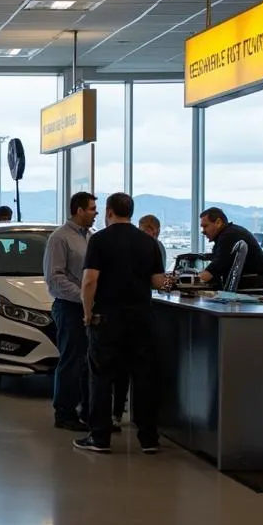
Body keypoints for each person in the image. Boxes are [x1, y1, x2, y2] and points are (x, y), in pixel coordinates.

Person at [75, 192, 169, 454]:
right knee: (143, 377)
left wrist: (86, 312)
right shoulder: (147, 242)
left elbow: (90, 280)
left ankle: (100, 437)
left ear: (108, 211)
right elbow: (157, 281)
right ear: (131, 211)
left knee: (102, 377)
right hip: (141, 318)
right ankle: (149, 438)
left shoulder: (100, 240)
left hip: (108, 318)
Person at [43, 192, 98, 432]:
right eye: (92, 208)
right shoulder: (60, 238)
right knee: (71, 361)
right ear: (78, 210)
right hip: (69, 307)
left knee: (89, 363)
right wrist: (84, 297)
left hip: (89, 307)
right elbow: (54, 278)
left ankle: (87, 412)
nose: (96, 212)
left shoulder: (91, 238)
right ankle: (64, 413)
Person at [197, 207, 263, 290]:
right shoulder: (229, 233)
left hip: (251, 286)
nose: (203, 231)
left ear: (218, 222)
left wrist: (190, 281)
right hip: (252, 283)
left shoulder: (229, 236)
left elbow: (216, 268)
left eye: (205, 226)